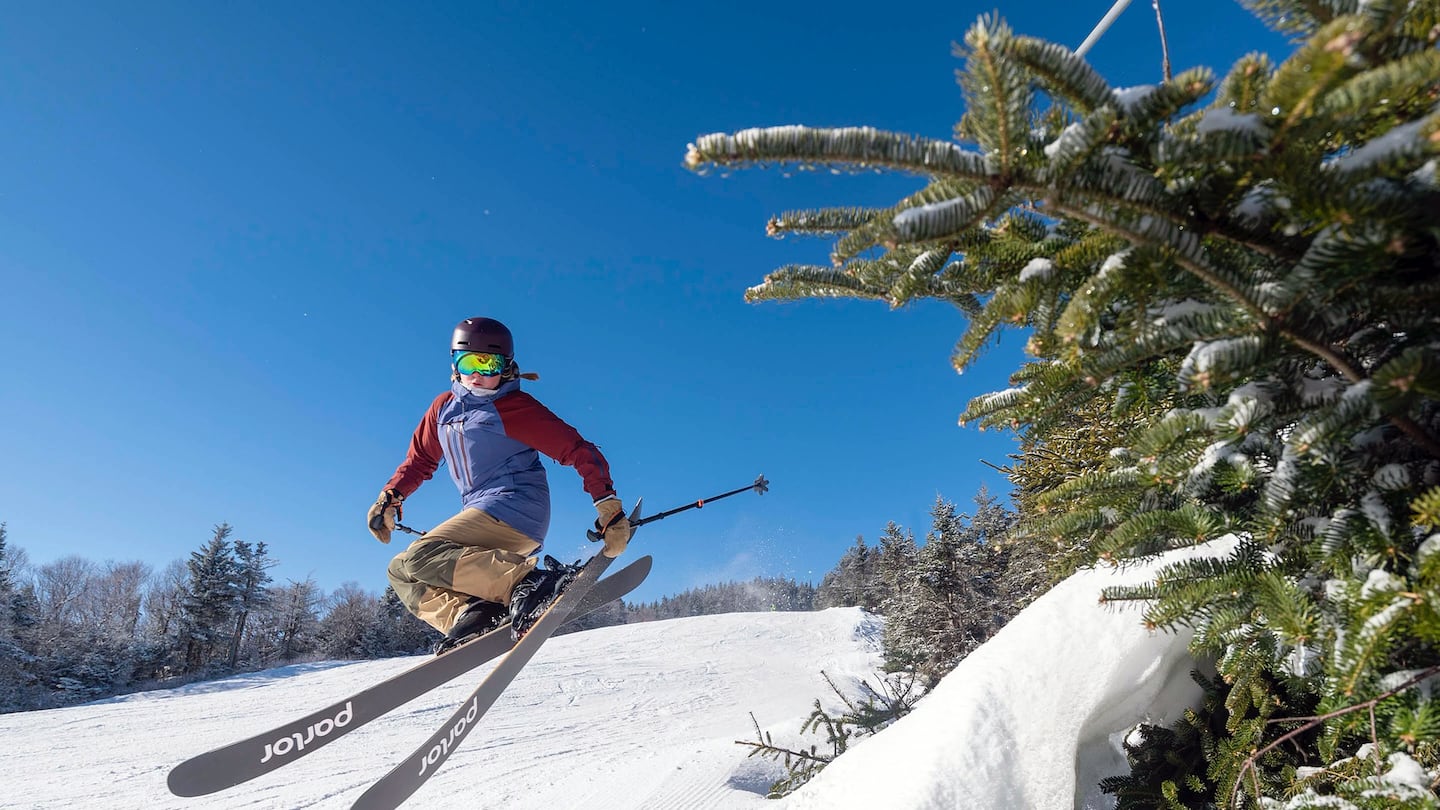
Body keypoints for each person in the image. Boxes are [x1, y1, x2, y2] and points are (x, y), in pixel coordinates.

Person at [367, 316, 632, 653]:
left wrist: (606, 503)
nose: (477, 374)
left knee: (422, 555)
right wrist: (391, 496)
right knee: (400, 571)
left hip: (517, 507)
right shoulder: (442, 410)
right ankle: (473, 613)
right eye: (468, 363)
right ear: (454, 364)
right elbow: (420, 460)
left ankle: (528, 582)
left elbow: (579, 450)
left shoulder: (513, 408)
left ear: (506, 368)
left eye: (488, 364)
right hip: (483, 512)